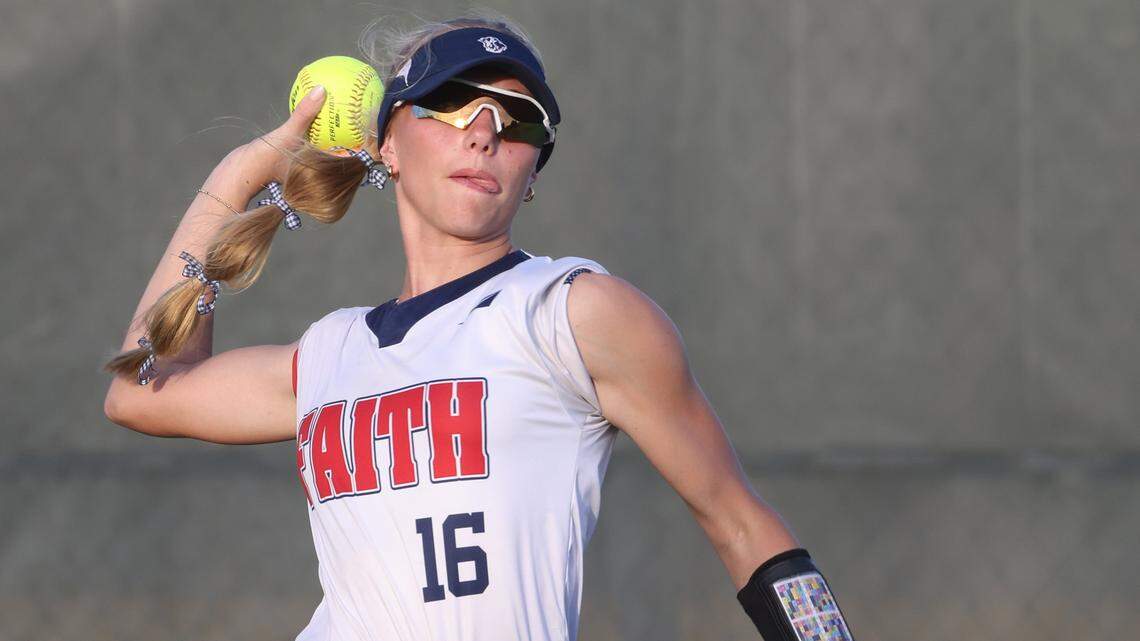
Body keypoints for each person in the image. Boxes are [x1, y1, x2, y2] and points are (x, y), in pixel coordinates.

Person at [102, 10, 854, 641]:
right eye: (453, 101)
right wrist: (237, 176)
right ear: (386, 145)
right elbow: (140, 390)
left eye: (518, 119)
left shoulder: (571, 311)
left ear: (532, 174)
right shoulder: (329, 353)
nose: (484, 131)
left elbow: (740, 523)